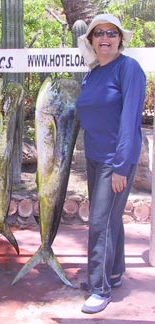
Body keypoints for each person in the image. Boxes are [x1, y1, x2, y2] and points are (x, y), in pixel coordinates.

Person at [76, 14, 146, 314]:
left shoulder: (128, 68)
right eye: (99, 33)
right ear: (91, 40)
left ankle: (100, 288)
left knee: (100, 223)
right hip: (94, 157)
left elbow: (130, 118)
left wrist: (120, 166)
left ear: (119, 39)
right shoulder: (92, 73)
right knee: (109, 219)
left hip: (115, 160)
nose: (106, 37)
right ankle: (112, 274)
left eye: (112, 32)